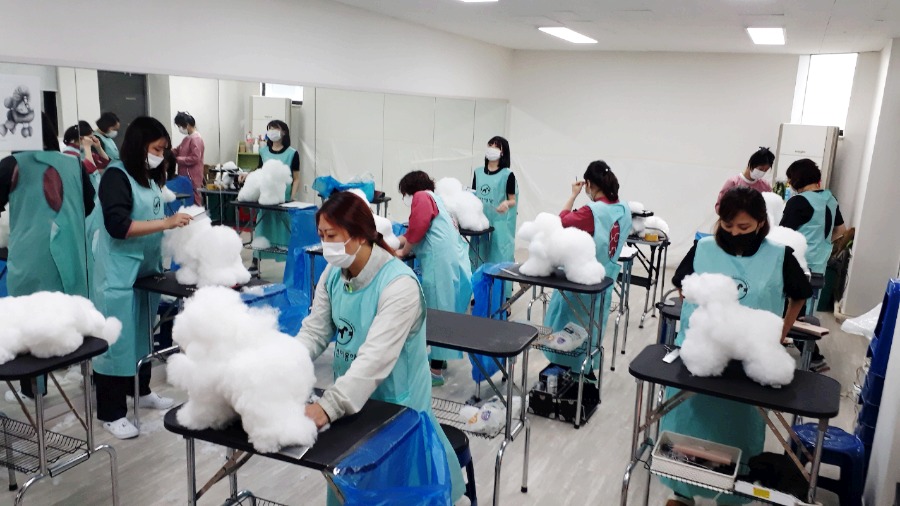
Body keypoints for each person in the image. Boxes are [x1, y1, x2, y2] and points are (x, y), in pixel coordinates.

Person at [295, 192, 464, 504]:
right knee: (350, 493)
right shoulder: (333, 274)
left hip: (398, 416)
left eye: (332, 236)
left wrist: (328, 407)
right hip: (353, 407)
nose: (325, 244)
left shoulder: (399, 285)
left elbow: (375, 359)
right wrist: (283, 366)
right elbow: (315, 331)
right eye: (321, 236)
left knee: (391, 495)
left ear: (360, 235)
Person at [662, 187, 811, 506]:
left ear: (761, 223)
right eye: (727, 225)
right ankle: (682, 491)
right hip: (702, 356)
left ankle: (733, 497)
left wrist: (781, 332)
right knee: (688, 423)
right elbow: (682, 284)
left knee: (737, 431)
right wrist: (701, 317)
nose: (734, 233)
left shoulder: (779, 256)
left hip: (749, 362)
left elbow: (800, 294)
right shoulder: (704, 248)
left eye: (743, 227)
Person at [91, 116, 192, 439]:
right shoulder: (116, 176)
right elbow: (118, 226)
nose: (161, 155)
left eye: (163, 150)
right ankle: (111, 412)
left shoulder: (148, 179)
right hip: (118, 273)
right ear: (139, 146)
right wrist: (166, 224)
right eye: (156, 149)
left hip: (146, 270)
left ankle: (141, 390)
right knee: (116, 340)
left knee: (142, 333)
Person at [0, 113, 95, 401]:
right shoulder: (74, 163)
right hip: (73, 255)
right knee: (74, 317)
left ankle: (34, 390)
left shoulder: (12, 165)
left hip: (31, 258)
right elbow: (89, 205)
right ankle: (87, 379)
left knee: (29, 324)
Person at [542, 161, 632, 376]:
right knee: (593, 328)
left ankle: (569, 372)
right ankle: (586, 371)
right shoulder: (624, 209)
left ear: (589, 184)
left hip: (579, 283)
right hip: (605, 279)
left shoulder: (591, 212)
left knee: (567, 331)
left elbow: (561, 221)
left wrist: (573, 195)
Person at [395, 170, 473, 386]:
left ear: (411, 189)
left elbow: (418, 229)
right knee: (445, 310)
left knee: (438, 313)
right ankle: (440, 358)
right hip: (453, 260)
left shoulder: (421, 197)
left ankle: (435, 372)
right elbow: (413, 231)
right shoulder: (436, 199)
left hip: (440, 264)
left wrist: (402, 251)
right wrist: (393, 241)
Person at [780, 158, 846, 372]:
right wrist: (823, 245)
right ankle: (800, 346)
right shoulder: (830, 199)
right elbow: (841, 230)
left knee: (791, 310)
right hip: (818, 265)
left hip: (798, 264)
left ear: (796, 179)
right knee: (806, 310)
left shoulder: (798, 202)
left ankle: (814, 358)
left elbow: (782, 234)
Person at [249, 119, 300, 274]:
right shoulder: (263, 152)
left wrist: (292, 196)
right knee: (261, 229)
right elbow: (259, 172)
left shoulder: (292, 153)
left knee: (284, 232)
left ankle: (291, 265)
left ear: (284, 132)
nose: (272, 131)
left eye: (275, 128)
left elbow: (296, 178)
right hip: (265, 199)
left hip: (283, 200)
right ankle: (255, 261)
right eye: (270, 128)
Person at [471, 135, 517, 288]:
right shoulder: (478, 172)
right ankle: (480, 290)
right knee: (478, 255)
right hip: (480, 221)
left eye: (496, 146)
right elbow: (473, 195)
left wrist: (506, 203)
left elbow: (512, 200)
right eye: (490, 145)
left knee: (499, 258)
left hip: (499, 222)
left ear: (502, 152)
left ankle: (501, 294)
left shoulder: (507, 175)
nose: (492, 149)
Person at [715, 147, 775, 212]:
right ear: (751, 164)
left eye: (765, 170)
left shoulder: (765, 186)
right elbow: (719, 206)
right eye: (760, 169)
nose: (762, 172)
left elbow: (770, 207)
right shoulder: (733, 182)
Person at [62, 121, 110, 191]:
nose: (93, 140)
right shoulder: (69, 153)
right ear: (81, 138)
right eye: (90, 138)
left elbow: (104, 162)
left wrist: (98, 147)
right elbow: (89, 168)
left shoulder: (83, 151)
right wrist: (87, 146)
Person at [172, 111, 205, 205]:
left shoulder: (196, 139)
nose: (180, 128)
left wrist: (177, 159)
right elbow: (178, 150)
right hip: (185, 177)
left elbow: (195, 158)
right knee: (186, 201)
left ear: (187, 124)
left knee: (194, 201)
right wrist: (167, 152)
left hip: (192, 177)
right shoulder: (187, 139)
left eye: (180, 126)